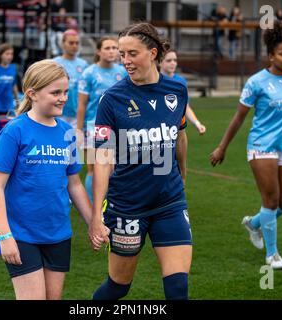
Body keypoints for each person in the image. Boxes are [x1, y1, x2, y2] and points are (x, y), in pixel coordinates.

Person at [0, 60, 107, 300]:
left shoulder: (67, 132)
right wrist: (4, 236)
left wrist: (93, 221)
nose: (63, 98)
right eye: (55, 93)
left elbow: (74, 184)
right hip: (22, 235)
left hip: (59, 234)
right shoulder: (15, 131)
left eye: (65, 92)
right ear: (32, 94)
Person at [89, 22, 192, 300]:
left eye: (132, 54)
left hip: (169, 202)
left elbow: (180, 137)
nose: (125, 61)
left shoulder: (177, 91)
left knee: (178, 288)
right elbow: (101, 158)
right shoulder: (111, 100)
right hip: (127, 204)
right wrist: (96, 214)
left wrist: (182, 174)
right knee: (118, 287)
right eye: (122, 55)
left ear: (152, 52)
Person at [209, 22, 282, 270]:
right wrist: (222, 147)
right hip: (261, 146)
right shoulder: (256, 82)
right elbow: (239, 117)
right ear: (271, 56)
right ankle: (272, 255)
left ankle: (254, 223)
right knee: (271, 198)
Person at [76, 36, 127, 202]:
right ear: (98, 51)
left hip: (118, 127)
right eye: (107, 48)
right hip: (94, 127)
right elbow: (82, 104)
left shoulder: (122, 72)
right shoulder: (89, 73)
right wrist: (79, 130)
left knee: (113, 168)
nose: (112, 51)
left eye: (114, 48)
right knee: (93, 169)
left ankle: (109, 203)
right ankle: (92, 207)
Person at [159, 50, 206, 135]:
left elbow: (186, 108)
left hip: (176, 129)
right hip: (157, 130)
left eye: (175, 60)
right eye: (169, 60)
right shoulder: (154, 81)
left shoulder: (181, 82)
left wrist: (197, 124)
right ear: (160, 62)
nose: (173, 63)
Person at [53, 29, 89, 128]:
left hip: (77, 115)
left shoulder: (84, 65)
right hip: (58, 113)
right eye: (71, 43)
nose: (74, 46)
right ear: (63, 44)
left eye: (77, 43)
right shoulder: (54, 63)